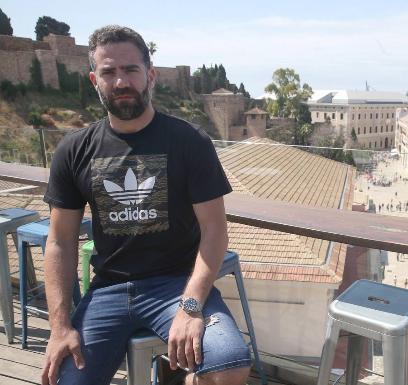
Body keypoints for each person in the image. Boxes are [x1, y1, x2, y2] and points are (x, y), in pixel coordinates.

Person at [41, 25, 251, 385]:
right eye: (109, 72)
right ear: (95, 79)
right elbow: (59, 241)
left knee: (228, 366)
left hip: (176, 285)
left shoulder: (189, 141)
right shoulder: (74, 150)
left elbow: (214, 231)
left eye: (130, 70)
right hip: (108, 290)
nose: (120, 81)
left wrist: (190, 306)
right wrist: (59, 327)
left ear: (150, 76)